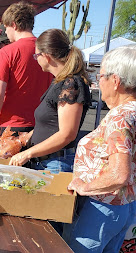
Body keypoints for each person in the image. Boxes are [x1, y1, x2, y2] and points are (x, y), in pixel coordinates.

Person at [64, 45, 136, 253]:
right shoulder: (131, 112)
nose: (98, 80)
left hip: (103, 208)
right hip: (123, 207)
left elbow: (119, 173)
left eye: (101, 75)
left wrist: (84, 186)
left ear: (115, 81)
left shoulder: (120, 118)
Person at [9, 29, 91, 173]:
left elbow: (67, 134)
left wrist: (28, 153)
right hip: (47, 162)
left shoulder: (71, 84)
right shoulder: (59, 82)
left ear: (46, 56)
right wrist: (25, 138)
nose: (36, 59)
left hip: (55, 163)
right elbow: (51, 123)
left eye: (36, 55)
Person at [0, 2, 53, 137]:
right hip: (41, 127)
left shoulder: (7, 52)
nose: (6, 32)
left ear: (14, 25)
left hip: (11, 126)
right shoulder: (47, 51)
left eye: (6, 27)